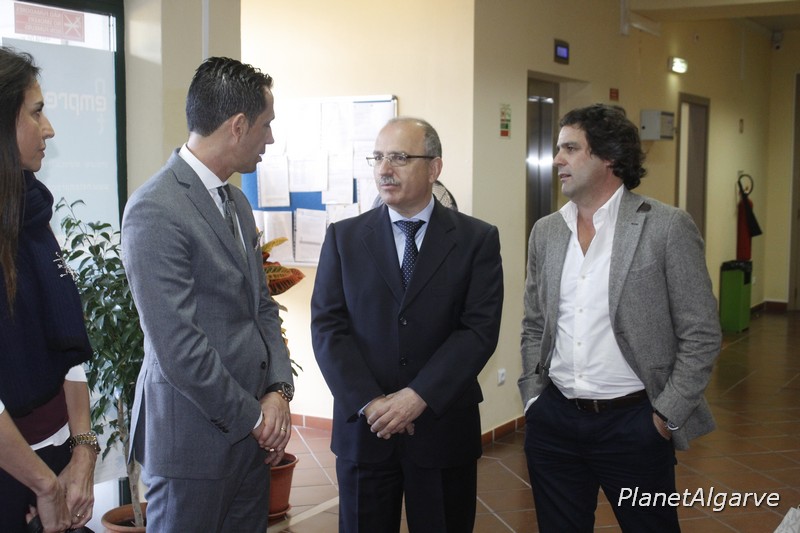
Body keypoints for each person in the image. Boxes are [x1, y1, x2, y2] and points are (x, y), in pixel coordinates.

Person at [518, 103, 722, 532]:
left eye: (570, 148)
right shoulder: (547, 232)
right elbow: (535, 322)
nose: (557, 160)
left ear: (608, 157)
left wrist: (664, 417)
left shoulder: (666, 227)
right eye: (558, 148)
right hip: (554, 422)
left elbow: (701, 333)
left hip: (634, 424)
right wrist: (534, 398)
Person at [121, 56, 294, 532]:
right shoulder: (155, 209)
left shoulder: (235, 201)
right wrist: (256, 419)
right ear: (238, 126)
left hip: (250, 440)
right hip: (192, 447)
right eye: (266, 125)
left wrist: (277, 390)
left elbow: (261, 307)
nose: (270, 138)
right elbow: (179, 348)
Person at [311, 116, 504, 532]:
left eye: (399, 157)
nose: (384, 169)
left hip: (442, 429)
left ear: (434, 168)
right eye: (378, 157)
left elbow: (478, 330)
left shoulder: (476, 240)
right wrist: (370, 402)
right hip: (366, 430)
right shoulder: (344, 238)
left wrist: (418, 396)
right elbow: (328, 328)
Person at [0, 47, 97, 533]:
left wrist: (83, 452)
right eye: (36, 113)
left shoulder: (32, 212)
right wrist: (43, 484)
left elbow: (67, 347)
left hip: (57, 454)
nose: (50, 129)